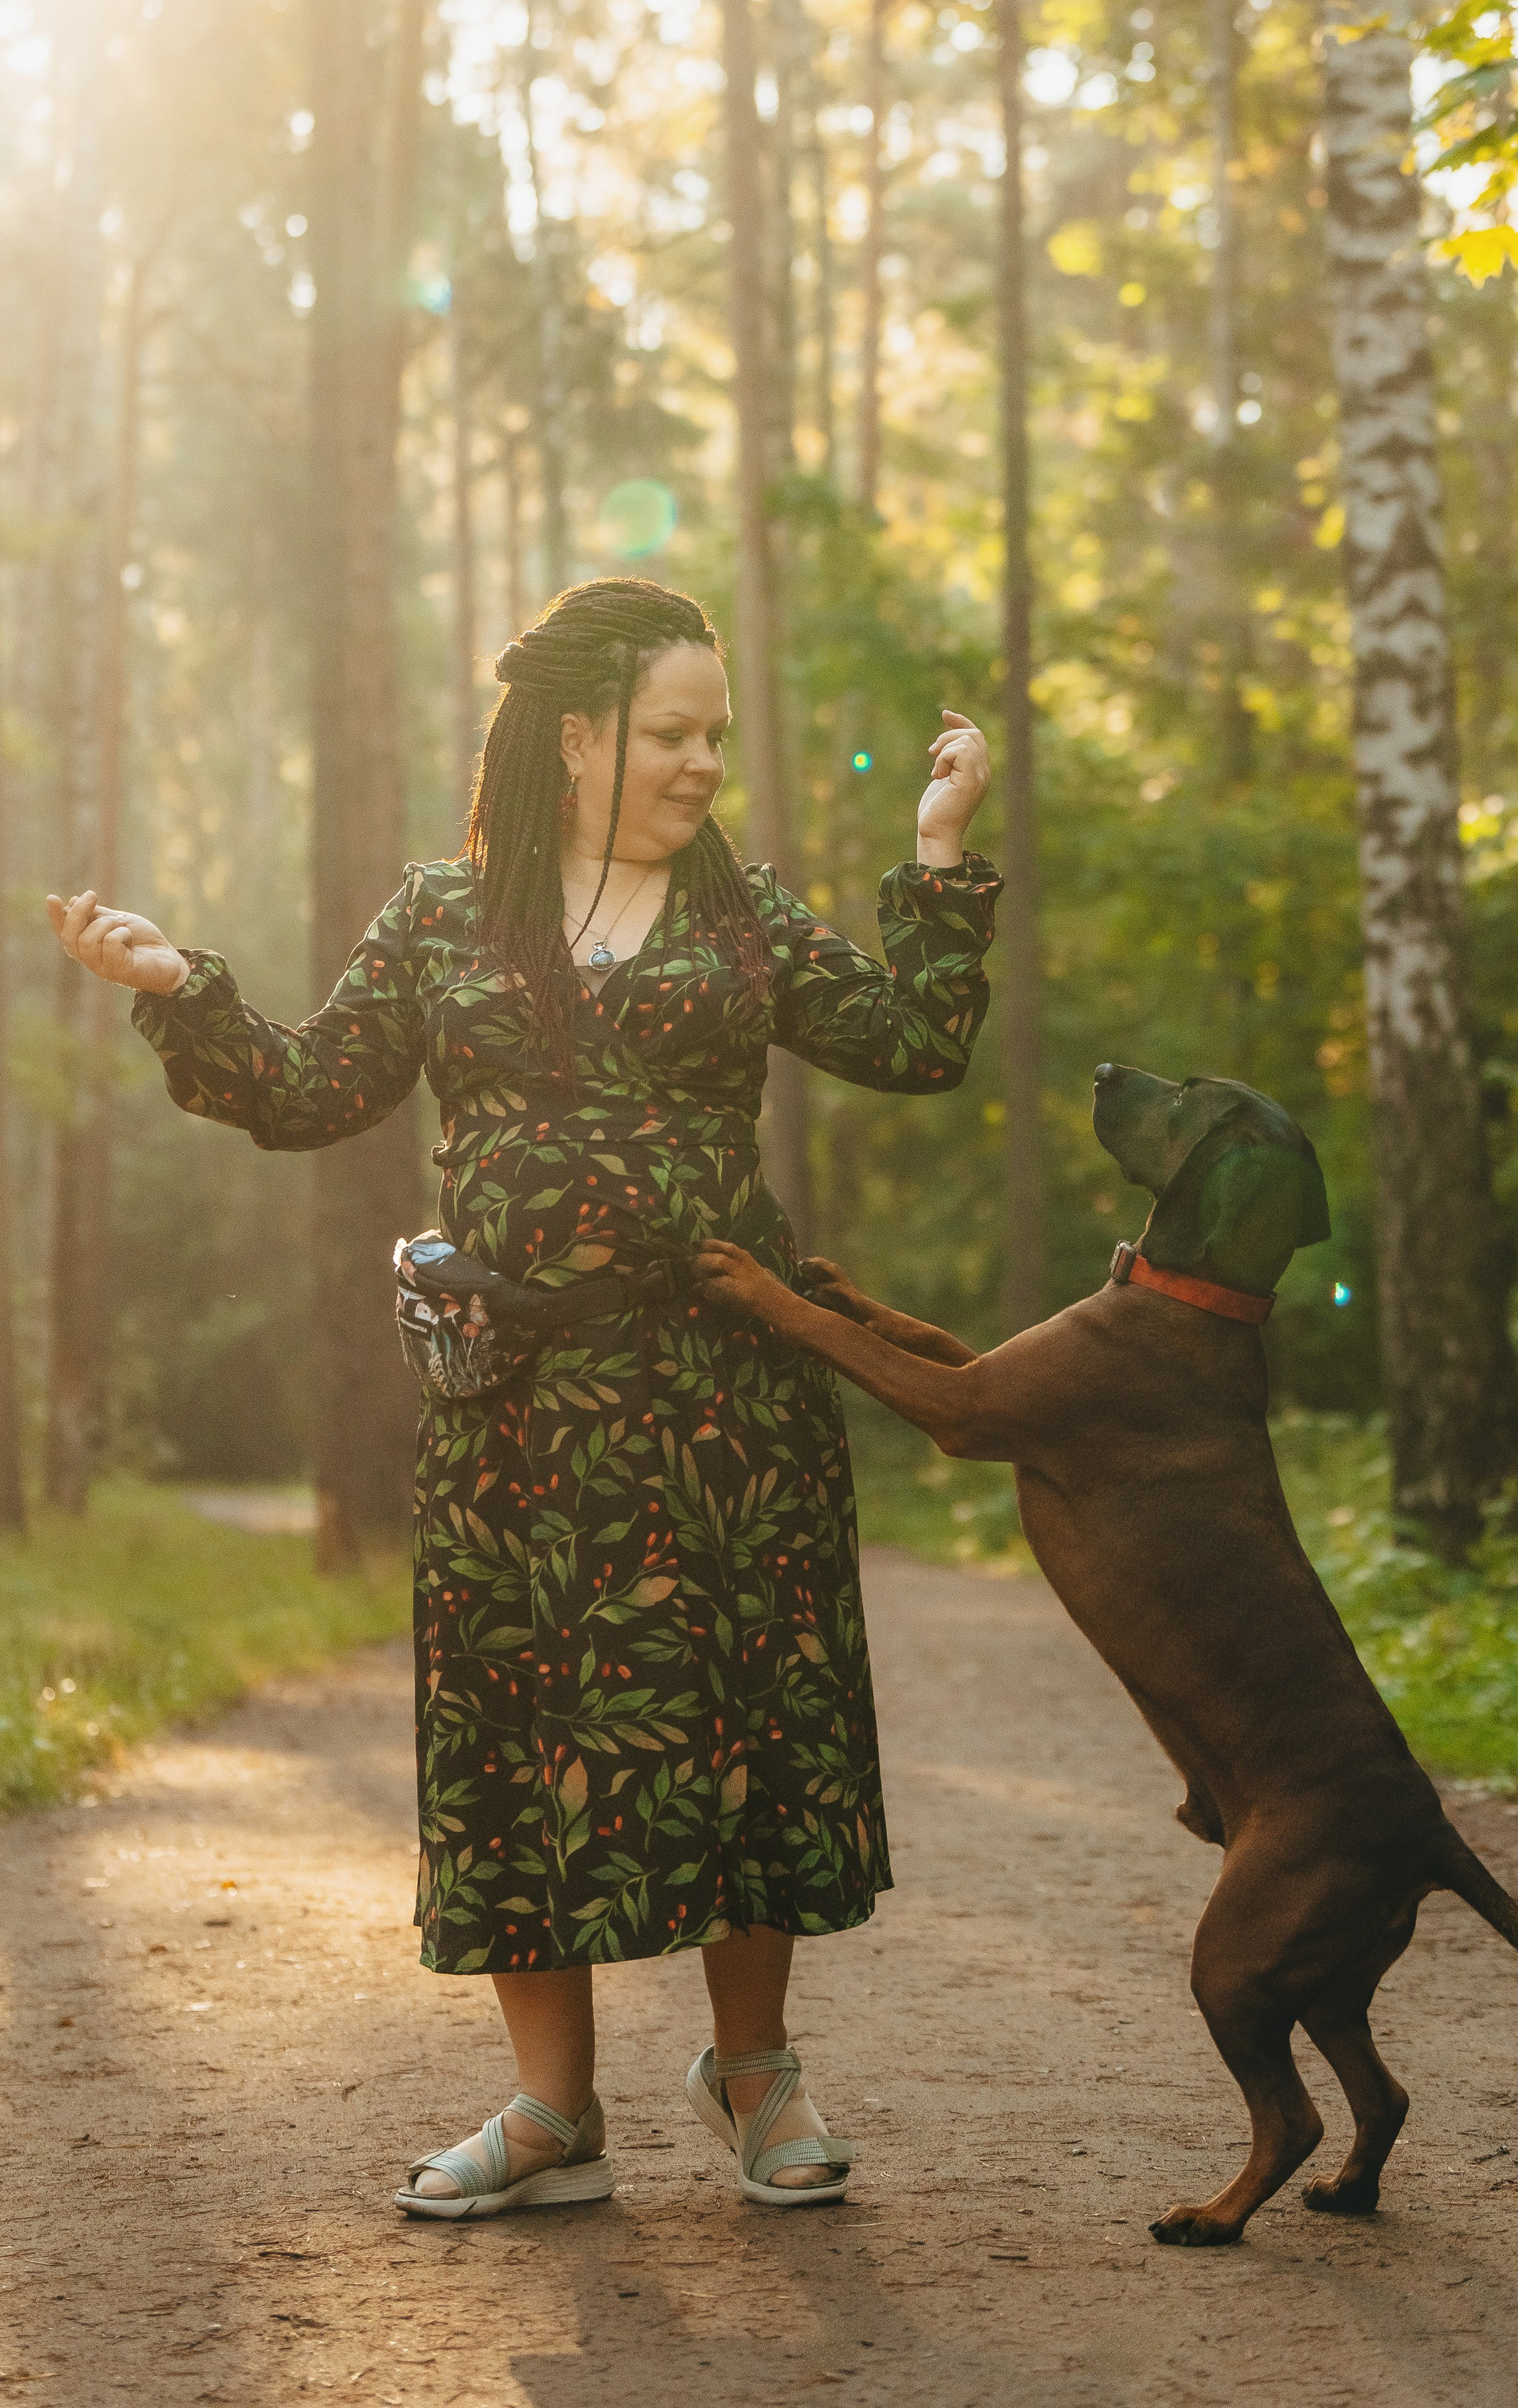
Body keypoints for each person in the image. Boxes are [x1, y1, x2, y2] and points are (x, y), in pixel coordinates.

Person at [48, 576, 998, 2219]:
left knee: (741, 1719)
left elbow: (916, 1041)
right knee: (521, 1731)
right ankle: (554, 2111)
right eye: (670, 731)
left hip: (721, 1393)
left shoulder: (744, 911)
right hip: (518, 1398)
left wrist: (935, 849)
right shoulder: (445, 913)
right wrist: (173, 987)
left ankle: (754, 2070)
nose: (703, 761)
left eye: (716, 733)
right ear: (575, 737)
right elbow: (306, 1088)